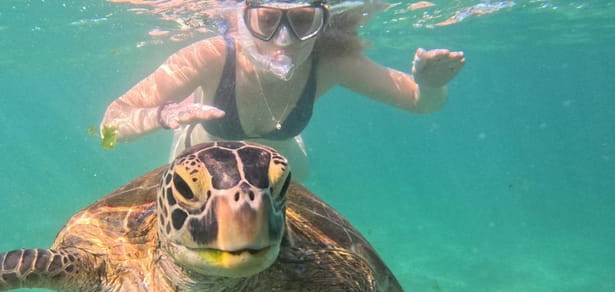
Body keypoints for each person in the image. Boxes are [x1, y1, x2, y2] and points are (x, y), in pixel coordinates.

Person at [100, 0, 465, 180]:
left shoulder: (332, 63)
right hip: (202, 174)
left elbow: (421, 103)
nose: (285, 40)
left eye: (303, 20)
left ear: (323, 22)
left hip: (283, 177)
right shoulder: (209, 57)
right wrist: (162, 115)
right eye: (268, 20)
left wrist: (430, 86)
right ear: (242, 19)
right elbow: (110, 124)